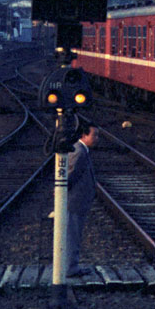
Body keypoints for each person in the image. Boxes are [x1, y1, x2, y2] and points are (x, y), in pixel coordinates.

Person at [65, 118, 99, 278]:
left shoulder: (83, 150)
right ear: (84, 135)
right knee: (73, 235)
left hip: (78, 201)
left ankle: (72, 265)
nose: (97, 139)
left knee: (74, 234)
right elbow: (70, 175)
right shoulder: (79, 151)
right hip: (75, 201)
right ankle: (70, 268)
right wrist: (61, 191)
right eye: (95, 135)